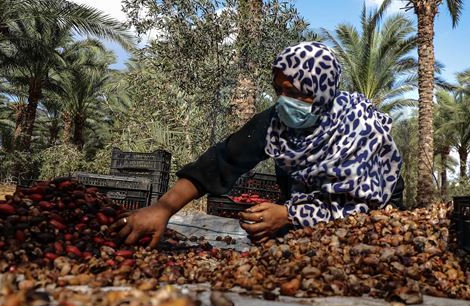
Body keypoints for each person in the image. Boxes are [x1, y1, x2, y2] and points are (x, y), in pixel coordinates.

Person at [115, 41, 403, 248]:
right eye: (279, 90)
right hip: (302, 217)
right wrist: (163, 208)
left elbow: (366, 206)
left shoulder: (360, 127)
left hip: (368, 221)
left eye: (296, 93)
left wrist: (289, 215)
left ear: (322, 92)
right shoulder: (275, 122)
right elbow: (221, 161)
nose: (284, 101)